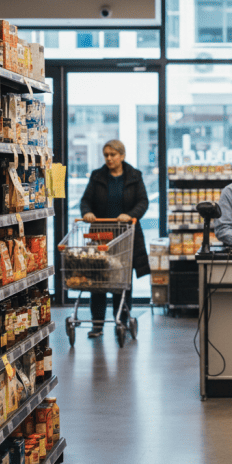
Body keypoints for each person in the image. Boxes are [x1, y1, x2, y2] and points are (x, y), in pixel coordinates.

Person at [80, 139, 150, 338]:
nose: (109, 159)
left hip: (125, 236)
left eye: (113, 155)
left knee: (122, 281)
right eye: (106, 155)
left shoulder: (135, 176)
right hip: (100, 236)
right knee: (98, 280)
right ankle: (97, 324)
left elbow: (143, 202)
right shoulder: (97, 176)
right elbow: (86, 201)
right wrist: (87, 213)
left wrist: (130, 215)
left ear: (122, 156)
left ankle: (122, 320)